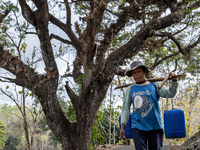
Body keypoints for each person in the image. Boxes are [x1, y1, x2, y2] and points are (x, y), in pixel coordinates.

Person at [120, 60, 178, 150]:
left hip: (154, 125)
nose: (137, 75)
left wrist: (174, 81)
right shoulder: (130, 89)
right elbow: (125, 109)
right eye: (134, 73)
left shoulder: (155, 85)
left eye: (139, 71)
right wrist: (122, 126)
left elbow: (170, 94)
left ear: (145, 72)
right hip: (137, 126)